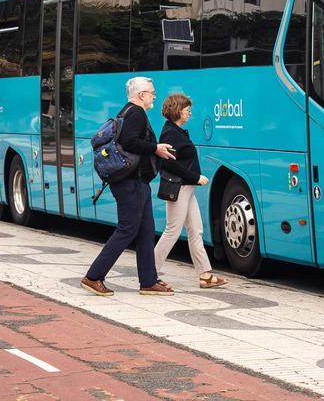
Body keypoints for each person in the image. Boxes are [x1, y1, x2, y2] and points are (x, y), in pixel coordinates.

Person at [81, 76, 176, 297]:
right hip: (130, 181)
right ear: (141, 95)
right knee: (128, 228)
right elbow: (130, 142)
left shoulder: (127, 111)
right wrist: (155, 148)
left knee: (146, 230)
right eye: (152, 93)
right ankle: (93, 276)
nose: (154, 97)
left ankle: (148, 281)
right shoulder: (136, 113)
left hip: (136, 180)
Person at [153, 93, 228, 289]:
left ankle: (205, 275)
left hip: (187, 189)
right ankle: (150, 273)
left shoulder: (177, 131)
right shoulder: (170, 133)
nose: (190, 113)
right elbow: (169, 164)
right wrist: (195, 177)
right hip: (180, 188)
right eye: (187, 110)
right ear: (178, 111)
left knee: (196, 230)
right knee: (172, 231)